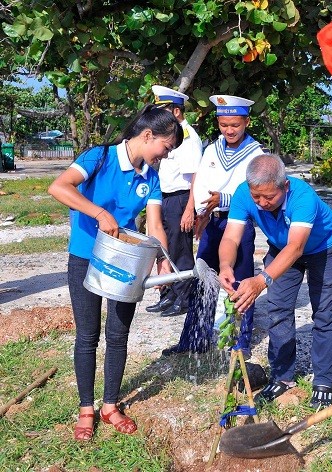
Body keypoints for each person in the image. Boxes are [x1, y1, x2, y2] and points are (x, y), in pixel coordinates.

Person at [48, 105, 183, 441]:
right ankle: (86, 409)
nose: (164, 157)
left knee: (118, 335)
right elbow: (59, 187)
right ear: (148, 135)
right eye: (165, 148)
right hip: (85, 257)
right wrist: (98, 213)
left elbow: (153, 223)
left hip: (127, 263)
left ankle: (109, 405)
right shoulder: (99, 158)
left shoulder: (150, 177)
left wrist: (162, 257)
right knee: (87, 336)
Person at [218, 153, 332, 409]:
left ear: (284, 186)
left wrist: (261, 280)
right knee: (278, 310)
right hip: (280, 248)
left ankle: (323, 381)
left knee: (324, 314)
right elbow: (231, 238)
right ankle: (282, 377)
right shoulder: (244, 194)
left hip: (321, 249)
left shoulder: (303, 196)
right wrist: (225, 265)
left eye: (270, 197)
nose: (262, 203)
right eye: (257, 197)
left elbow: (296, 247)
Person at [162, 95, 262, 356]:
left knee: (240, 283)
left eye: (235, 125)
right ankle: (194, 339)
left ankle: (240, 342)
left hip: (238, 224)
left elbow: (255, 193)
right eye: (224, 124)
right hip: (212, 222)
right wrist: (199, 212)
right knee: (202, 279)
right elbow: (199, 182)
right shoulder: (212, 149)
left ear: (246, 122)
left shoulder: (256, 154)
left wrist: (225, 199)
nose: (229, 130)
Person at [145, 85, 203, 317]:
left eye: (165, 111)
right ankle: (167, 295)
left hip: (180, 199)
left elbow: (195, 178)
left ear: (176, 112)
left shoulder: (188, 138)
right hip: (165, 198)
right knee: (165, 249)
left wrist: (190, 209)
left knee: (180, 251)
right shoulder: (168, 135)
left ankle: (184, 298)